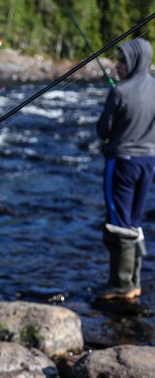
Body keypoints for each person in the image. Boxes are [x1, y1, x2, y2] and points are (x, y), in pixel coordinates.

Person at [96, 37, 155, 300]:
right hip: (148, 164)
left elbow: (103, 130)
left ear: (135, 61)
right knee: (133, 219)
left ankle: (121, 284)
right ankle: (134, 280)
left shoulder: (120, 92)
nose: (117, 66)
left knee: (119, 222)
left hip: (122, 163)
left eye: (122, 60)